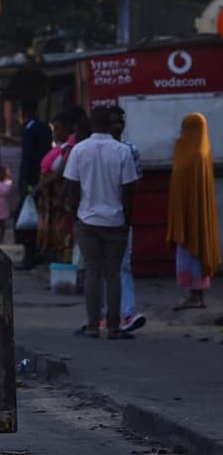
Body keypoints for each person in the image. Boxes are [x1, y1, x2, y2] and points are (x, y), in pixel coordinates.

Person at [63, 106, 139, 340]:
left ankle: (93, 325)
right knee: (113, 274)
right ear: (110, 124)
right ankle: (114, 328)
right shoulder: (122, 151)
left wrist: (77, 214)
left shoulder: (79, 150)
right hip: (116, 221)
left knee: (93, 273)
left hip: (87, 220)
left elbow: (72, 188)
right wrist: (127, 221)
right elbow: (129, 190)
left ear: (91, 124)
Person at [0, 99, 53, 270]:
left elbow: (29, 156)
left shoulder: (29, 128)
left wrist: (25, 180)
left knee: (26, 219)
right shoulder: (44, 127)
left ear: (22, 113)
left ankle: (30, 254)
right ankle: (37, 252)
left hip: (31, 181)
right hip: (41, 178)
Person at [166, 112, 220, 310]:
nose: (181, 132)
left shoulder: (189, 153)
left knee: (190, 253)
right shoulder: (203, 151)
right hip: (196, 214)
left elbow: (180, 180)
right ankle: (199, 295)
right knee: (197, 248)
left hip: (188, 214)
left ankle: (194, 297)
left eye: (184, 127)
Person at [106, 105, 147, 332]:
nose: (118, 125)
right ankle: (103, 315)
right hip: (98, 218)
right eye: (113, 121)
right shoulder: (91, 149)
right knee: (101, 268)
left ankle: (127, 313)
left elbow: (133, 187)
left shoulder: (130, 149)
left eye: (121, 121)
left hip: (119, 217)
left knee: (121, 266)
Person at [32, 111, 77, 259]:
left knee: (61, 230)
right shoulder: (61, 146)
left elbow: (60, 172)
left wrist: (41, 185)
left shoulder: (70, 147)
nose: (55, 132)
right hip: (49, 195)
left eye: (58, 129)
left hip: (57, 194)